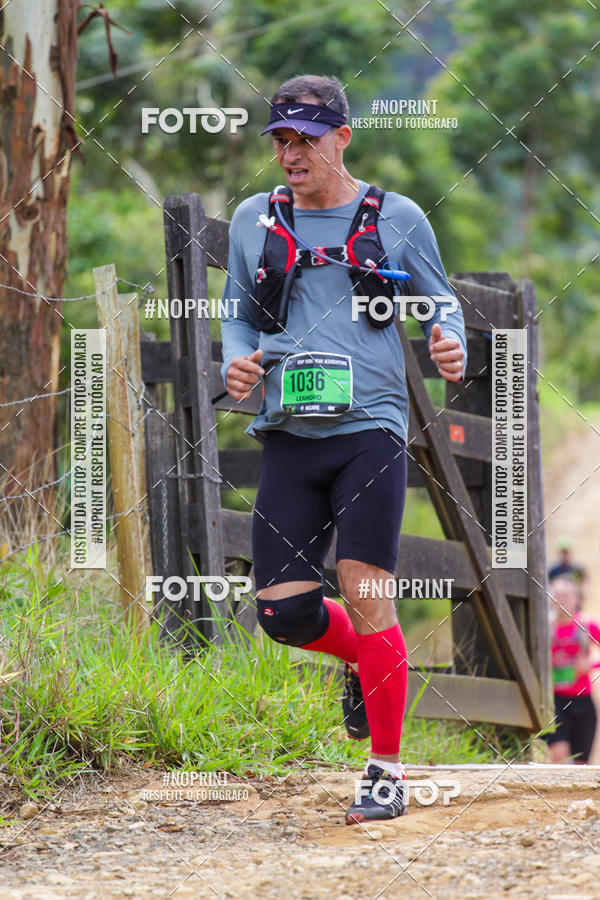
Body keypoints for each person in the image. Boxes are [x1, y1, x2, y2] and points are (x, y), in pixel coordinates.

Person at [219, 74, 467, 823]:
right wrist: (236, 361)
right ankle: (371, 660)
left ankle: (384, 772)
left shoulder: (396, 216)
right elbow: (236, 312)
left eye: (306, 139)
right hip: (290, 432)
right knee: (283, 615)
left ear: (342, 138)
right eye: (281, 140)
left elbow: (441, 297)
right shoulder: (253, 219)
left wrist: (446, 336)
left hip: (372, 429)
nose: (292, 154)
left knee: (366, 592)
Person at [545, 576, 599, 764]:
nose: (561, 600)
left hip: (583, 702)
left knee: (581, 765)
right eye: (557, 595)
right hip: (554, 702)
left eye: (566, 595)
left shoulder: (586, 625)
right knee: (559, 754)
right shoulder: (544, 628)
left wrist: (589, 666)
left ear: (576, 599)